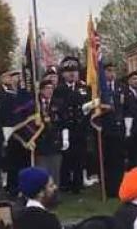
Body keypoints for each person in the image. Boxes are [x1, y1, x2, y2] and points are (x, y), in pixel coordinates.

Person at [55, 56, 98, 194]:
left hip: (81, 128)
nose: (72, 73)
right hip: (66, 129)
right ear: (63, 74)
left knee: (80, 157)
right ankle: (65, 185)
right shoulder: (59, 89)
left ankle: (78, 185)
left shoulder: (84, 88)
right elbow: (60, 107)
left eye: (74, 70)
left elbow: (89, 105)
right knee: (67, 158)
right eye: (68, 71)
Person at [0, 70, 34, 195]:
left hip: (23, 130)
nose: (15, 78)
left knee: (24, 161)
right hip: (7, 131)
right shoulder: (1, 94)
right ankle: (11, 189)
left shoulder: (22, 93)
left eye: (16, 76)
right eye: (11, 76)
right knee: (11, 163)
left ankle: (23, 188)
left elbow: (28, 110)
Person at [98, 62, 127, 198]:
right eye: (109, 71)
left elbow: (125, 107)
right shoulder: (100, 88)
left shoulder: (121, 87)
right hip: (105, 128)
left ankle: (120, 186)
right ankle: (109, 188)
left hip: (119, 127)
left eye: (114, 70)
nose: (112, 73)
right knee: (108, 160)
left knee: (119, 159)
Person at [35, 79, 68, 186]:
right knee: (42, 171)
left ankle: (54, 195)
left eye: (51, 88)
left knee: (55, 170)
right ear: (41, 90)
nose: (49, 91)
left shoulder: (58, 103)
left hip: (54, 141)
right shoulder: (36, 105)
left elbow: (64, 122)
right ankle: (43, 195)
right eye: (47, 88)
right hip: (40, 142)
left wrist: (65, 138)